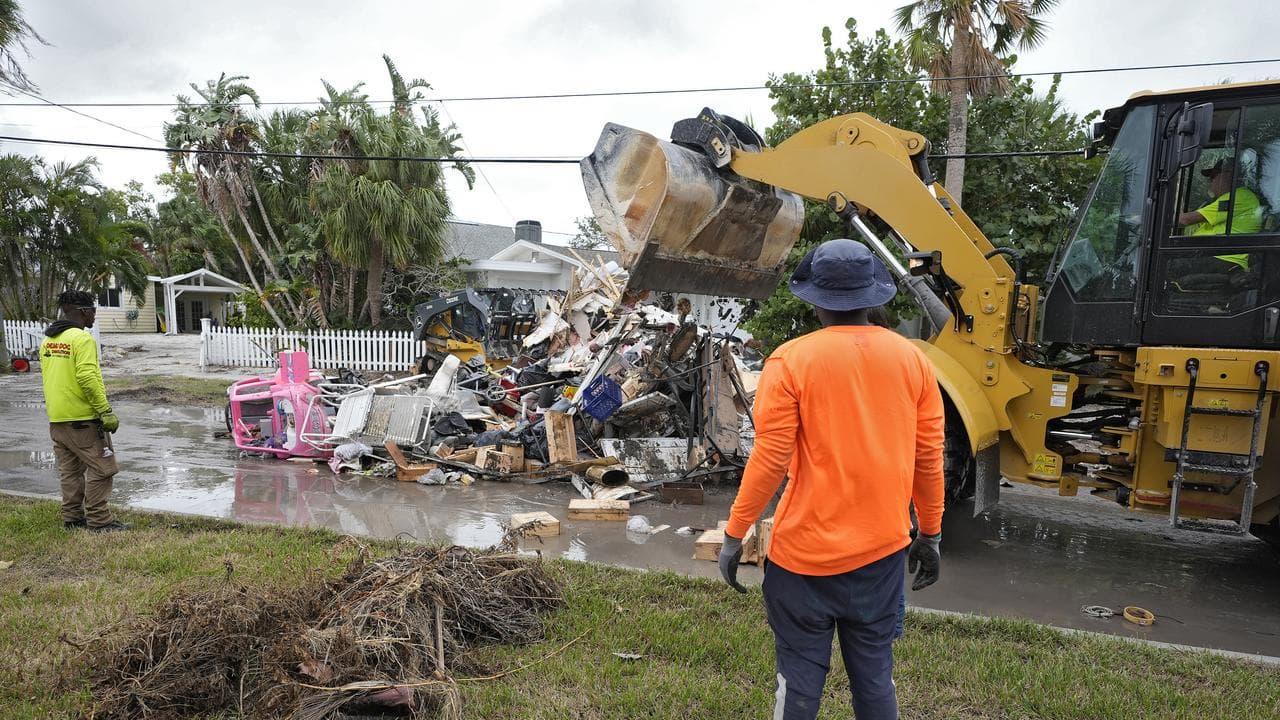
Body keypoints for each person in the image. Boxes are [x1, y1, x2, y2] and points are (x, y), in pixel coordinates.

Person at [718, 239, 945, 720]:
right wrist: (931, 533)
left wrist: (735, 533)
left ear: (815, 299)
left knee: (798, 684)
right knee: (875, 680)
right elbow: (929, 458)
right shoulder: (914, 362)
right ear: (872, 295)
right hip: (881, 558)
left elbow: (770, 459)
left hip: (803, 562)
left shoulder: (790, 361)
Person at [39, 290, 128, 532]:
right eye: (93, 311)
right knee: (104, 468)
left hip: (57, 420)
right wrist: (105, 410)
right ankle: (100, 521)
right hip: (83, 420)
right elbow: (87, 377)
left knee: (71, 471)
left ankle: (73, 518)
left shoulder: (49, 340)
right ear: (83, 311)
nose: (95, 316)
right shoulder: (81, 339)